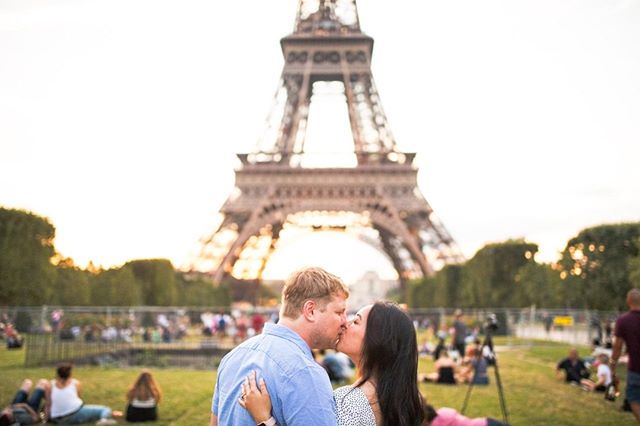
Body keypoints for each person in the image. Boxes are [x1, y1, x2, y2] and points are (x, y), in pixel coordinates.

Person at [240, 302, 506, 426]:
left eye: (356, 320)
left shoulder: (354, 403)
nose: (344, 322)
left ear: (379, 340)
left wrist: (264, 420)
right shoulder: (401, 397)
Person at [210, 267, 349, 426]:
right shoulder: (305, 373)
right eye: (339, 312)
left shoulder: (232, 356)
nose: (345, 321)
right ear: (310, 311)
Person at [45, 363, 118, 425]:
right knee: (105, 409)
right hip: (75, 414)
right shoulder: (75, 383)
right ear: (70, 374)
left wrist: (45, 420)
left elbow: (48, 404)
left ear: (57, 374)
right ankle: (104, 420)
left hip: (57, 419)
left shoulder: (50, 385)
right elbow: (78, 398)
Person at [611, 288, 640, 422]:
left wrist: (613, 364)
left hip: (636, 368)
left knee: (633, 398)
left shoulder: (623, 321)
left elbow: (618, 346)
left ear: (628, 301)